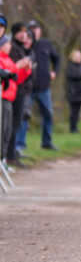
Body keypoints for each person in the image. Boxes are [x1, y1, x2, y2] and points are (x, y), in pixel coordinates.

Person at [21, 20, 60, 150]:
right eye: (30, 28)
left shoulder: (46, 44)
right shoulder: (24, 45)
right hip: (28, 88)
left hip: (44, 87)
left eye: (35, 28)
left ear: (39, 30)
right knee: (24, 115)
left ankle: (46, 142)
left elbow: (57, 58)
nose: (33, 31)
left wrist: (54, 71)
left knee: (48, 115)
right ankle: (20, 144)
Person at [0, 16, 31, 167]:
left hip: (11, 95)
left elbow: (16, 77)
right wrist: (17, 66)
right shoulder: (4, 57)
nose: (9, 46)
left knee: (10, 127)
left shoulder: (9, 57)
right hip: (5, 96)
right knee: (5, 128)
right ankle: (6, 157)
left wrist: (26, 70)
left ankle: (7, 157)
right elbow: (7, 73)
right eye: (6, 44)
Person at [8, 23, 33, 166]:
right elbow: (13, 72)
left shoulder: (22, 48)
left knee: (17, 122)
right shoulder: (13, 48)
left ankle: (13, 152)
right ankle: (10, 154)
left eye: (25, 32)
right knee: (13, 123)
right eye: (20, 32)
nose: (24, 35)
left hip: (22, 89)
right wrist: (22, 67)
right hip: (15, 90)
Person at [65, 50, 81, 133]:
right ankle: (72, 128)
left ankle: (75, 127)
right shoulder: (70, 67)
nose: (79, 59)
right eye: (77, 57)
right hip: (74, 92)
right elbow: (76, 75)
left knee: (78, 111)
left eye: (80, 57)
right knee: (74, 111)